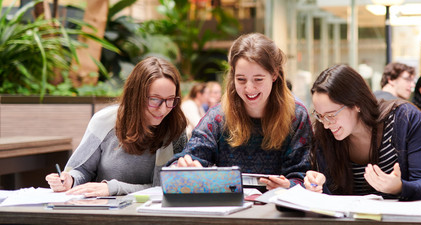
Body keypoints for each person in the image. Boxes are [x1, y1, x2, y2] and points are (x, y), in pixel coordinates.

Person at [168, 33, 312, 190]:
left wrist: (289, 185)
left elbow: (304, 176)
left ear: (274, 74)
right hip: (230, 210)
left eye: (258, 79)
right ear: (232, 76)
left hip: (278, 210)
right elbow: (190, 157)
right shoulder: (218, 116)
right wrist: (182, 166)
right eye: (241, 79)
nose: (249, 88)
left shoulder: (296, 116)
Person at [44, 57, 188, 197]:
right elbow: (83, 169)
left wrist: (113, 188)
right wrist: (70, 180)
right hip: (103, 210)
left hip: (152, 213)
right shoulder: (104, 122)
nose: (163, 109)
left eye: (170, 100)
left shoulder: (175, 129)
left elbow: (168, 186)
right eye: (155, 100)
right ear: (136, 96)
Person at [304, 64, 421, 200]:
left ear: (356, 104)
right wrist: (320, 183)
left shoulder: (404, 118)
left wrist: (399, 187)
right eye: (319, 115)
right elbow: (330, 199)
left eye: (331, 115)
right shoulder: (325, 133)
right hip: (348, 220)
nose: (325, 125)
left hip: (397, 218)